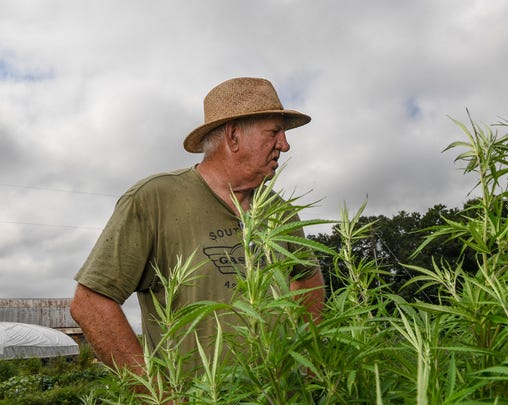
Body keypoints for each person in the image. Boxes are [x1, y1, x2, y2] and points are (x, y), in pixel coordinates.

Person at [70, 77, 325, 378]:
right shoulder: (154, 199)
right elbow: (91, 303)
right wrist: (158, 395)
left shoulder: (280, 211)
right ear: (233, 137)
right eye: (274, 132)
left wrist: (303, 363)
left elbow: (308, 282)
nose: (284, 144)